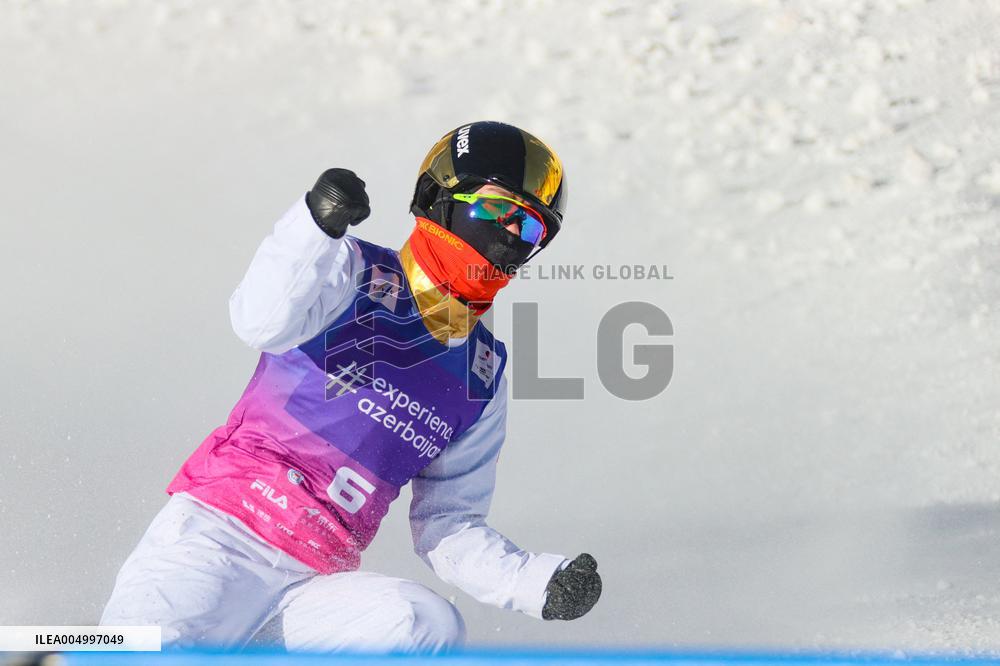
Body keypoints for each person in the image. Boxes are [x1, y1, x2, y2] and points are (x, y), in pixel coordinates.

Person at [100, 121, 601, 653]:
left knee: (423, 624)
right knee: (141, 652)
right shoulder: (350, 271)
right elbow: (259, 323)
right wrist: (314, 226)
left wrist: (532, 582)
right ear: (439, 198)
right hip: (216, 541)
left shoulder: (482, 376)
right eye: (498, 210)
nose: (510, 236)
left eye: (530, 230)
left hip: (310, 590)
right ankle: (53, 647)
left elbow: (449, 523)